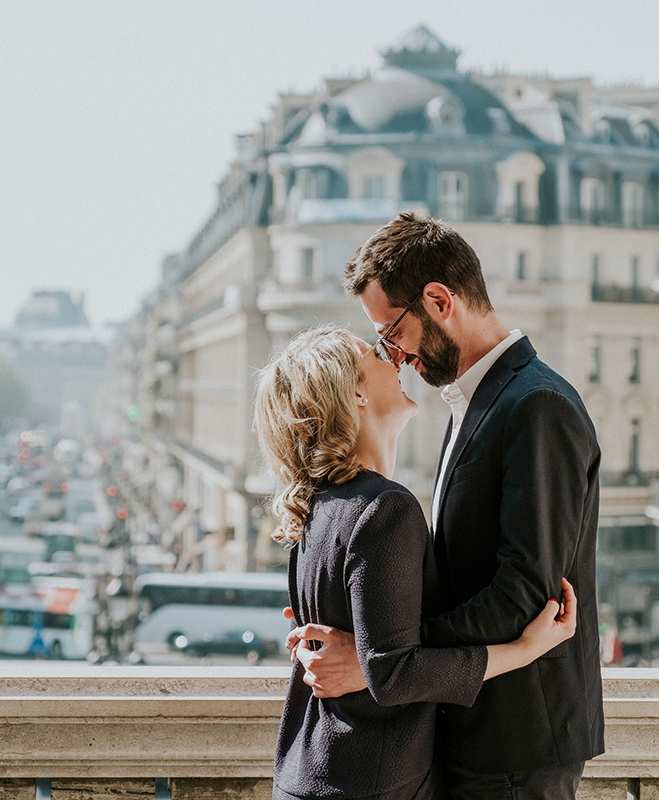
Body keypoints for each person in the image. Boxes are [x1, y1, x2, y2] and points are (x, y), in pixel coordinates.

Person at [286, 213, 604, 800]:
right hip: (471, 730)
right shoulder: (473, 402)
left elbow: (526, 594)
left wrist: (379, 659)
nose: (396, 355)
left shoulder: (537, 406)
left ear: (437, 300)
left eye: (391, 332)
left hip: (515, 740)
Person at [256, 326, 578, 800]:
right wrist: (526, 650)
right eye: (378, 355)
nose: (399, 361)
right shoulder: (385, 508)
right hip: (371, 783)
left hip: (313, 772)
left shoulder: (319, 506)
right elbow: (393, 673)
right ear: (356, 392)